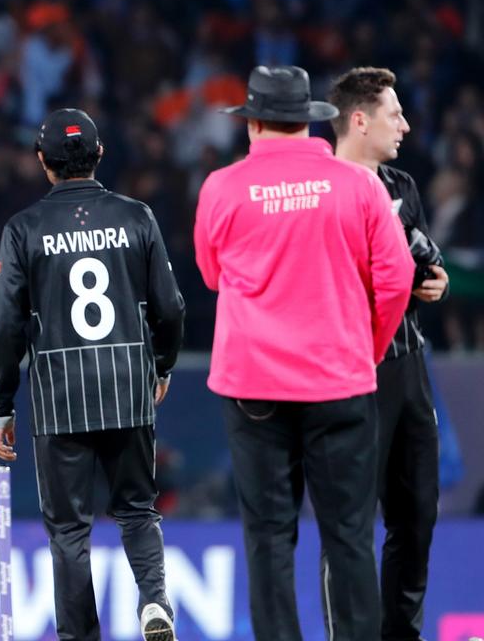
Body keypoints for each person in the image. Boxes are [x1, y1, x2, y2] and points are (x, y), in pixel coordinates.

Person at [193, 65, 414, 640]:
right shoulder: (358, 185)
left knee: (269, 535)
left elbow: (212, 276)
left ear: (255, 123)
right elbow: (396, 278)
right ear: (307, 122)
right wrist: (366, 349)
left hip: (254, 389)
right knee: (348, 535)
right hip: (340, 382)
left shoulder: (221, 187)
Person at [0, 109, 184, 641]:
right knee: (138, 510)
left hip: (60, 395)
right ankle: (154, 601)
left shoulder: (23, 229)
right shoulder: (137, 216)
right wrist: (160, 365)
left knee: (70, 532)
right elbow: (171, 307)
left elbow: (4, 326)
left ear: (41, 163)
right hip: (127, 384)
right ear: (99, 155)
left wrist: (0, 404)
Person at [329, 67, 448, 641]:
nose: (404, 123)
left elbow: (427, 266)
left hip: (408, 365)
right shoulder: (322, 189)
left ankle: (401, 634)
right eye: (392, 114)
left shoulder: (402, 185)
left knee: (418, 515)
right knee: (348, 525)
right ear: (359, 120)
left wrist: (434, 281)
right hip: (350, 372)